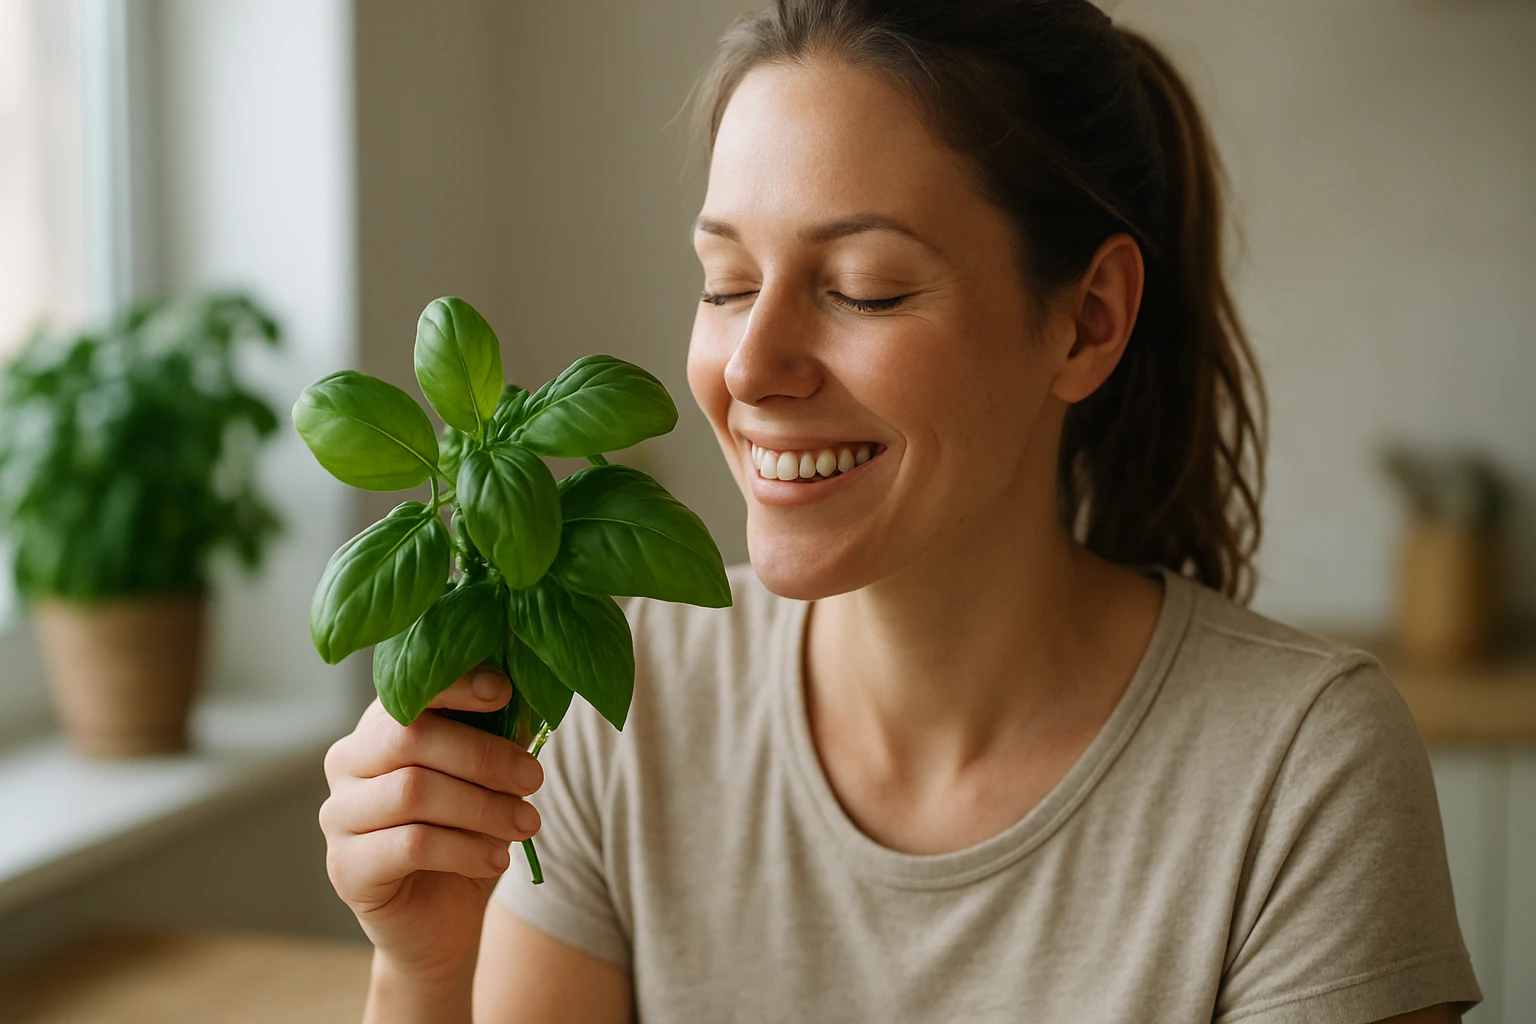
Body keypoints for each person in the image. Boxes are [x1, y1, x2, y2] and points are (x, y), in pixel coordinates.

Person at [319, 1, 1482, 1020]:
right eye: (725, 282)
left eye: (861, 288)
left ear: (1086, 321)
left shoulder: (1300, 775)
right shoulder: (623, 697)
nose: (752, 363)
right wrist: (423, 972)